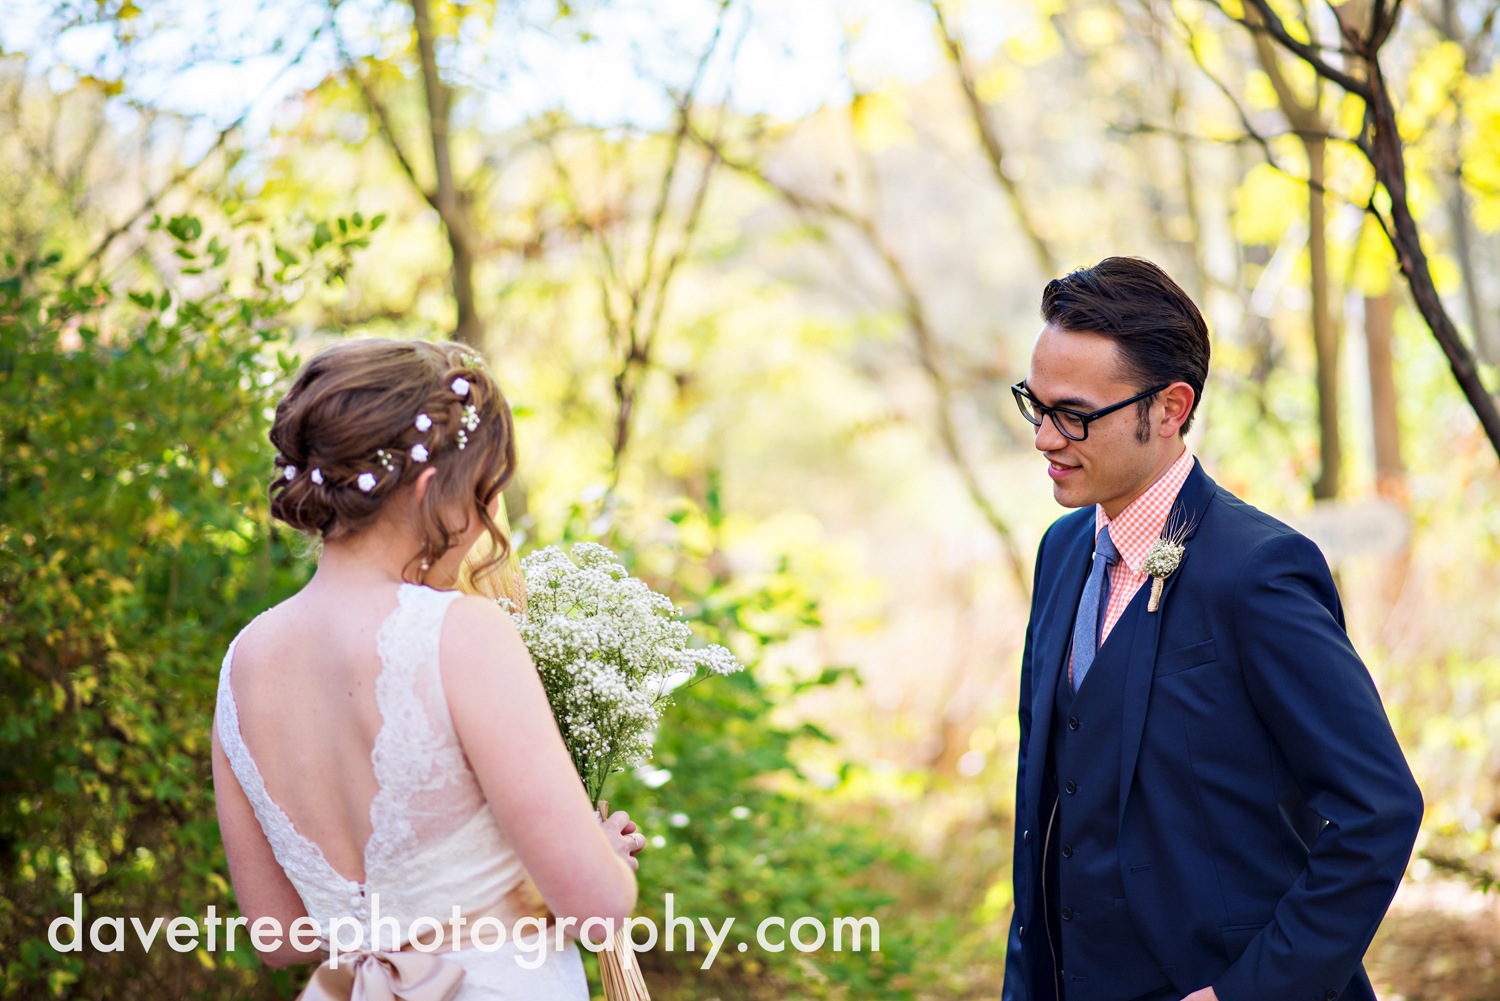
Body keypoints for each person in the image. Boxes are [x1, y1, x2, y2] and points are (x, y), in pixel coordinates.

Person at [1001, 258, 1423, 1001]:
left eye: (1072, 414)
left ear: (1168, 408)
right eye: (1034, 405)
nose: (1043, 437)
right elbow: (1043, 818)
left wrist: (1250, 993)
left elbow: (1377, 810)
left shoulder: (1260, 572)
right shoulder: (1061, 553)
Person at [212, 339, 642, 1000]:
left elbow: (280, 939)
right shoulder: (459, 633)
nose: (480, 527)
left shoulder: (243, 662)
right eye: (480, 491)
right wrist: (604, 860)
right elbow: (596, 908)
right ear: (426, 488)